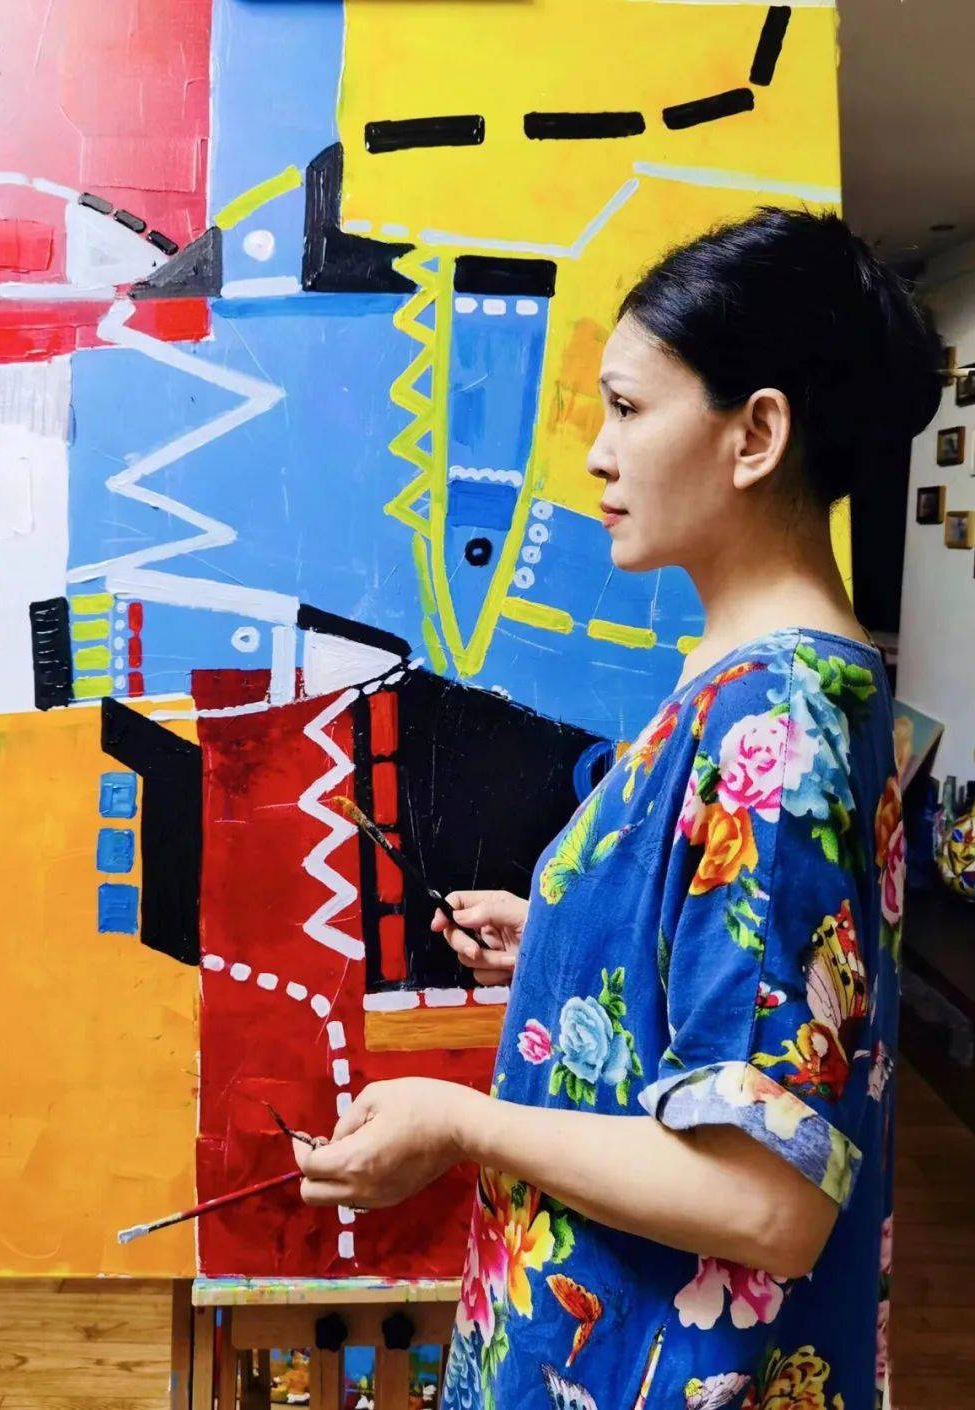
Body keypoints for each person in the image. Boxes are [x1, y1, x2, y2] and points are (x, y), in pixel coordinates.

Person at [292, 207, 943, 1410]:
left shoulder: (776, 721)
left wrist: (461, 1121)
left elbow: (765, 1199)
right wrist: (563, 943)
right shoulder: (753, 683)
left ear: (756, 435)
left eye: (630, 409)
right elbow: (727, 998)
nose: (595, 453)